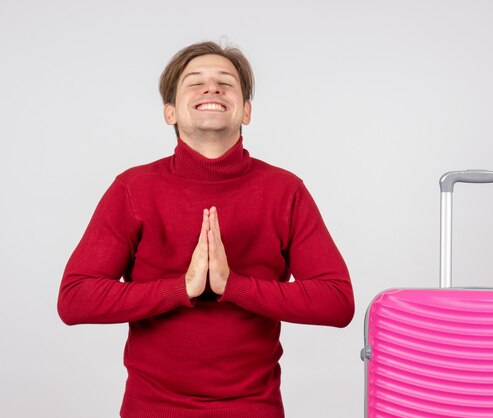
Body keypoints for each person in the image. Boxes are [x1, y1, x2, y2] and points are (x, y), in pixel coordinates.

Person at [57, 41, 354, 418]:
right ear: (170, 112)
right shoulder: (133, 188)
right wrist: (182, 287)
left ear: (246, 110)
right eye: (195, 82)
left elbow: (337, 300)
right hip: (152, 409)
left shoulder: (285, 190)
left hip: (253, 409)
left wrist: (234, 286)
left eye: (225, 83)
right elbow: (74, 297)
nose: (211, 89)